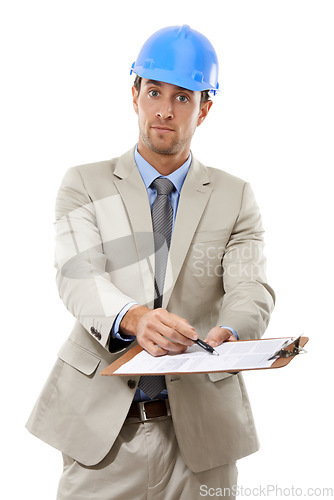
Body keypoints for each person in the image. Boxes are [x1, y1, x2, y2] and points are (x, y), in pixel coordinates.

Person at [26, 25, 275, 500]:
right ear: (134, 94)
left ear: (204, 108)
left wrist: (232, 332)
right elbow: (78, 277)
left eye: (183, 97)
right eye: (154, 91)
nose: (165, 109)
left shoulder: (235, 195)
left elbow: (251, 288)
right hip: (102, 435)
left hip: (203, 436)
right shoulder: (84, 184)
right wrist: (134, 318)